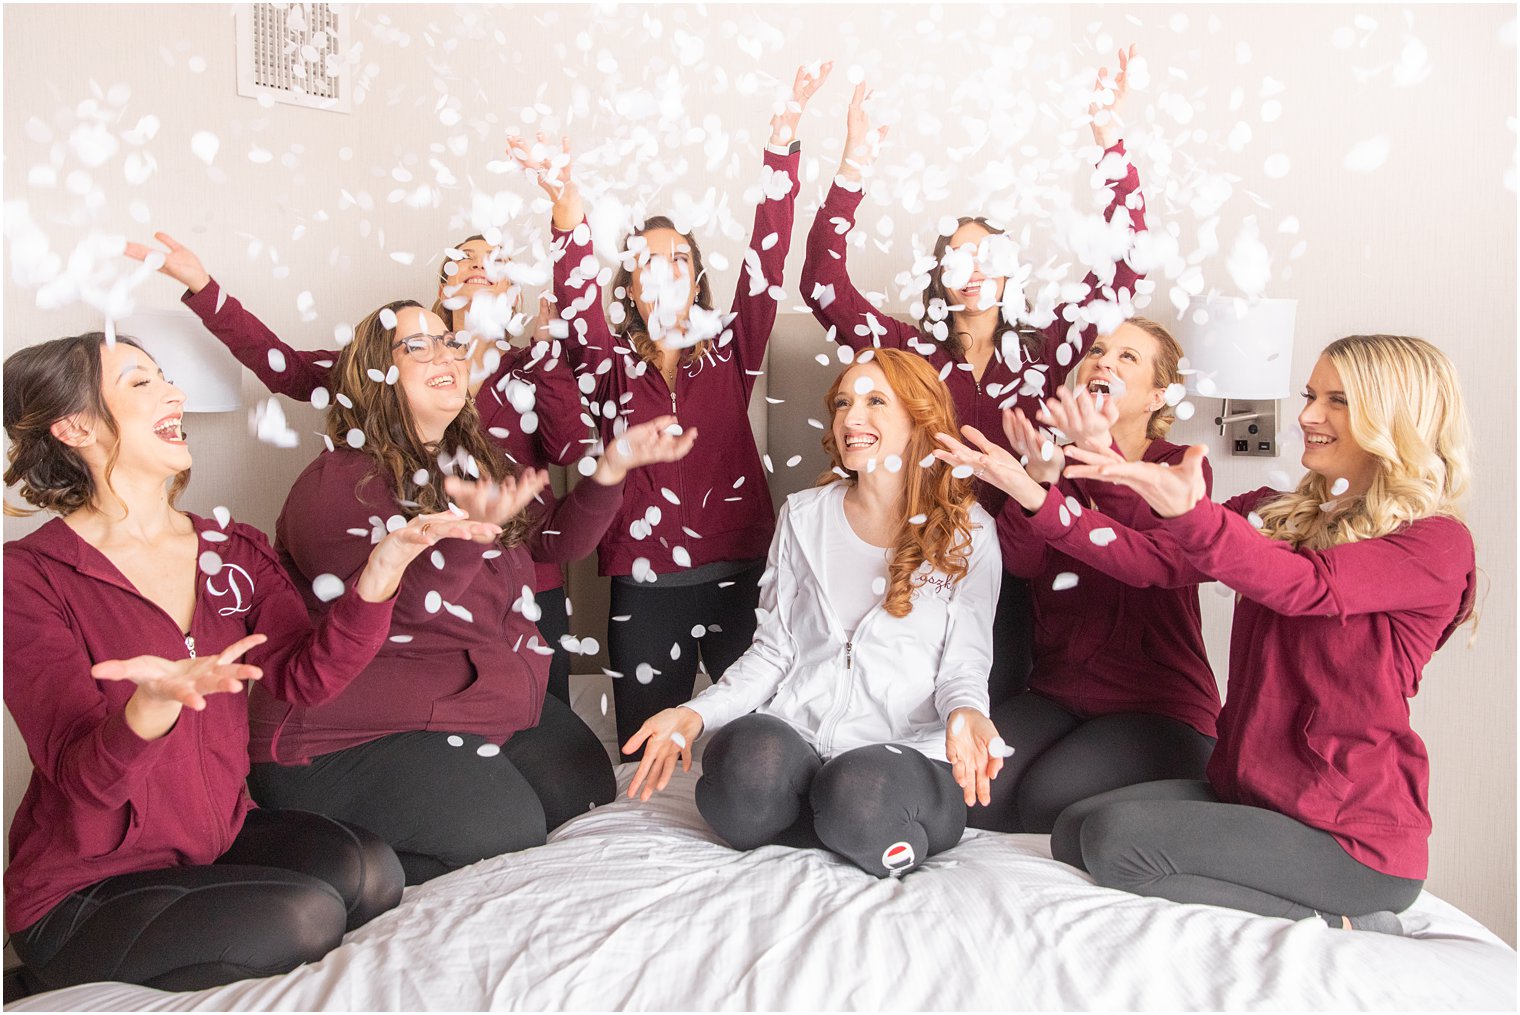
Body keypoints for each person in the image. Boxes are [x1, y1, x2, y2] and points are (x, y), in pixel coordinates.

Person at [3, 332, 492, 991]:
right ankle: (35, 980)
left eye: (165, 376)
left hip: (214, 839)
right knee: (305, 917)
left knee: (373, 872)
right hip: (86, 882)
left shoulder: (231, 546)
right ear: (76, 425)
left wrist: (380, 573)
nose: (173, 392)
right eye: (141, 382)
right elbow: (84, 779)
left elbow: (304, 677)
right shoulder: (27, 578)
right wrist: (151, 707)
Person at [987, 334, 1473, 932]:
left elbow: (1306, 586)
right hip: (1249, 794)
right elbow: (1150, 561)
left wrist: (1194, 516)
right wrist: (1037, 497)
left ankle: (1346, 920)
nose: (1307, 416)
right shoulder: (1275, 510)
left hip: (1346, 833)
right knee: (1071, 831)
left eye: (1337, 401)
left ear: (1395, 416)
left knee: (1117, 844)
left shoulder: (1433, 543)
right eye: (1309, 395)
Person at [241, 297, 695, 884]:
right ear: (373, 373)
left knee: (581, 788)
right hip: (344, 732)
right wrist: (466, 540)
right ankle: (329, 854)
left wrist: (610, 469)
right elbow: (389, 616)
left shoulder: (477, 466)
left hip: (466, 699)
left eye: (451, 343)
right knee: (507, 830)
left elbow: (556, 541)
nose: (446, 356)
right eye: (417, 345)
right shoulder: (337, 484)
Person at [800, 47, 1149, 706]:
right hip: (920, 560)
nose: (975, 267)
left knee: (999, 712)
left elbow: (1126, 266)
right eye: (957, 257)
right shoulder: (907, 352)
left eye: (988, 254)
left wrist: (1108, 136)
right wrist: (854, 164)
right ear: (940, 277)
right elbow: (821, 284)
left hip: (1022, 564)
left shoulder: (1050, 345)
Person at [125, 230, 593, 704]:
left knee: (540, 715)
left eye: (496, 260)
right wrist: (205, 289)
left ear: (515, 291)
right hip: (412, 581)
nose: (479, 262)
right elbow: (284, 367)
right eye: (464, 256)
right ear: (442, 285)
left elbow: (570, 447)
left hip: (523, 575)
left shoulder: (531, 369)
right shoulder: (380, 366)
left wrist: (548, 353)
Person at [515, 64, 830, 750]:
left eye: (679, 260)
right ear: (628, 282)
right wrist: (565, 201)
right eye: (647, 261)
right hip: (646, 587)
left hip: (741, 576)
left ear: (694, 279)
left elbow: (767, 263)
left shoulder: (732, 349)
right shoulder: (606, 363)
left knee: (768, 744)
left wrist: (784, 141)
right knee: (642, 753)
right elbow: (574, 300)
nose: (664, 270)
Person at [623, 349, 1005, 878]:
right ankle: (837, 825)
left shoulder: (970, 532)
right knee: (739, 778)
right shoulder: (803, 516)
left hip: (901, 753)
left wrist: (968, 714)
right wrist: (697, 713)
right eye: (843, 403)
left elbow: (963, 667)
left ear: (920, 418)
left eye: (875, 401)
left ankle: (849, 816)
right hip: (801, 735)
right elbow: (775, 650)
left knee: (861, 794)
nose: (851, 418)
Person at [932, 318, 1218, 833]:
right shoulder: (1051, 465)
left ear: (1158, 396)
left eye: (1128, 357)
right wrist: (1034, 483)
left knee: (1048, 799)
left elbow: (1138, 552)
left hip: (1157, 706)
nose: (1104, 361)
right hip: (1058, 693)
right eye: (1099, 351)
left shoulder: (1178, 471)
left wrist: (1075, 471)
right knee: (970, 790)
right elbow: (1022, 564)